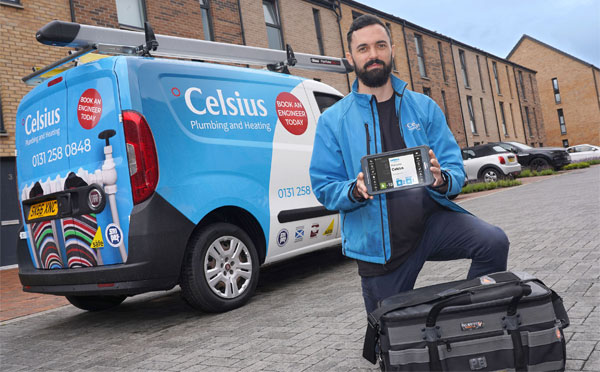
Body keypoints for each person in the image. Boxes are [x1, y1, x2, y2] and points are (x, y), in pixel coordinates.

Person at [309, 15, 509, 314]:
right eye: (363, 48)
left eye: (380, 45)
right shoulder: (332, 121)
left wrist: (442, 179)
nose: (373, 54)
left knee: (493, 242)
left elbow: (454, 168)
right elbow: (324, 187)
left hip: (432, 224)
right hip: (380, 246)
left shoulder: (424, 106)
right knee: (387, 335)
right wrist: (355, 189)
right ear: (350, 58)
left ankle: (469, 320)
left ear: (392, 50)